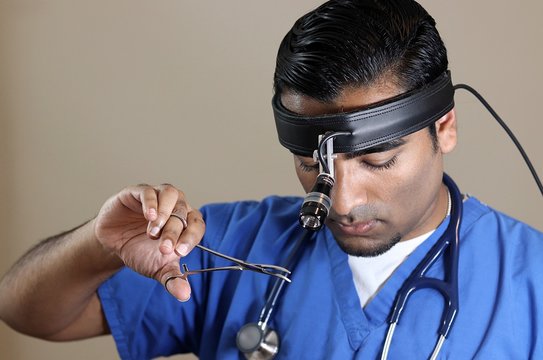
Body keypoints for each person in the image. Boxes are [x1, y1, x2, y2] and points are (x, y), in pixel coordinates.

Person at [1, 0, 542, 359]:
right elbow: (25, 312)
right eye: (313, 164)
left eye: (378, 161)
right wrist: (98, 246)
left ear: (443, 128)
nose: (343, 200)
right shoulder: (231, 245)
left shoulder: (530, 281)